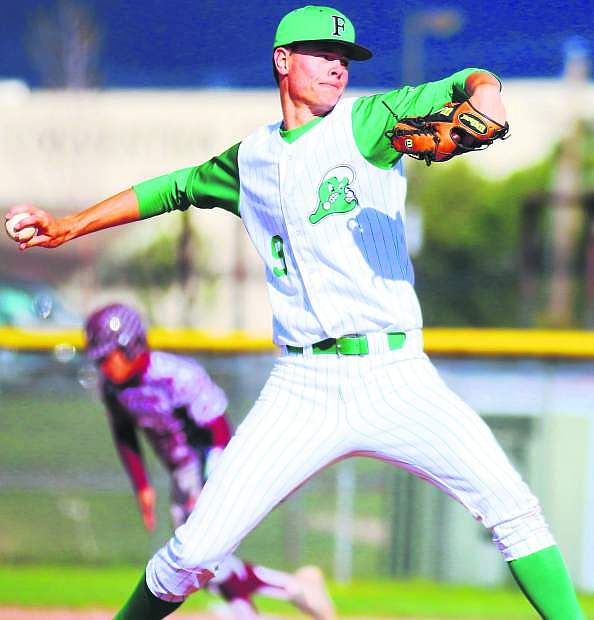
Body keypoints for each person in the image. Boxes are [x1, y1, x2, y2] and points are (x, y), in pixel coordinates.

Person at [6, 5, 585, 619]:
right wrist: (70, 224)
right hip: (301, 386)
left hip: (395, 375)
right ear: (283, 61)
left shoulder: (369, 123)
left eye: (345, 59)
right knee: (192, 552)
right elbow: (170, 188)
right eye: (322, 54)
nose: (337, 66)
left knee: (513, 510)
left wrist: (488, 94)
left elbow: (470, 78)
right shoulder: (248, 160)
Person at [83, 301, 335, 620]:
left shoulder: (175, 375)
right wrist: (142, 486)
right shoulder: (113, 389)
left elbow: (216, 425)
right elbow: (124, 433)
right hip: (180, 475)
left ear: (130, 344)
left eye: (107, 356)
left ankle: (283, 594)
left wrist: (213, 480)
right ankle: (293, 589)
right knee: (202, 564)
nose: (104, 366)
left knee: (195, 559)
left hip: (207, 464)